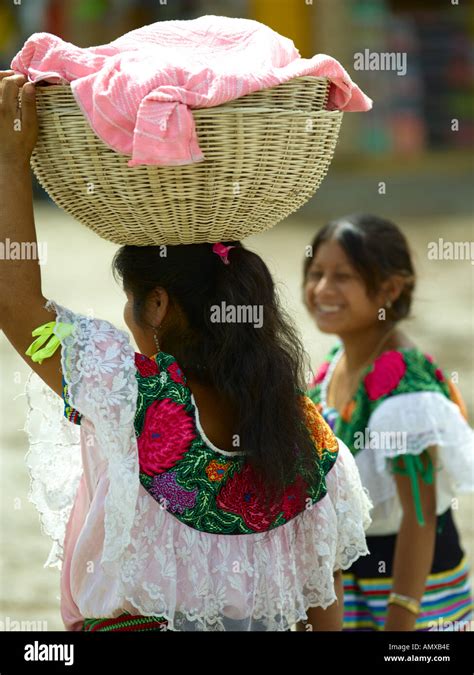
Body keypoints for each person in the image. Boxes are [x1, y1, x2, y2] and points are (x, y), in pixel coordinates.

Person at [0, 70, 372, 631]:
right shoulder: (308, 439)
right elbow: (320, 615)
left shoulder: (130, 395)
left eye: (130, 303)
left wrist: (9, 163)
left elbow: (15, 305)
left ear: (157, 305)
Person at [303, 213, 474, 631]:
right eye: (317, 273)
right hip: (354, 583)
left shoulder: (405, 393)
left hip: (409, 586)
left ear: (389, 289)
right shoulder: (332, 368)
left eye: (342, 276)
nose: (323, 289)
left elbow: (420, 517)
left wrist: (402, 618)